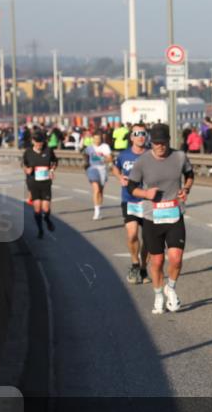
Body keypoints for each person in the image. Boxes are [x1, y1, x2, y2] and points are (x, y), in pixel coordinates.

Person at [127, 123, 195, 314]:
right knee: (156, 262)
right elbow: (131, 187)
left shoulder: (179, 157)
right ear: (151, 142)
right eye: (156, 143)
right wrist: (145, 193)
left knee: (176, 259)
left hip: (174, 214)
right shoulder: (142, 161)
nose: (159, 146)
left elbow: (190, 174)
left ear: (168, 141)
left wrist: (186, 189)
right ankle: (158, 294)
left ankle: (170, 288)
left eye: (163, 142)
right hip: (152, 217)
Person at [113, 124, 149, 285]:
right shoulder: (124, 155)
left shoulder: (151, 154)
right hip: (129, 200)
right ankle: (135, 263)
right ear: (131, 137)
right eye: (137, 133)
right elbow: (115, 167)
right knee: (132, 234)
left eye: (143, 133)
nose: (140, 136)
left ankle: (143, 268)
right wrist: (119, 177)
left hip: (148, 201)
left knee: (148, 239)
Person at [22, 130, 57, 239]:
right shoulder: (28, 152)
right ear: (33, 142)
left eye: (41, 142)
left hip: (46, 183)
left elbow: (54, 162)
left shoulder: (48, 150)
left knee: (46, 209)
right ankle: (40, 230)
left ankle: (47, 220)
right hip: (34, 183)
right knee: (37, 209)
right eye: (37, 142)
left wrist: (52, 170)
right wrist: (27, 170)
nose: (39, 144)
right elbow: (24, 165)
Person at [83, 132, 113, 221]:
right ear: (92, 139)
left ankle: (99, 209)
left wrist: (102, 158)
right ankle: (96, 212)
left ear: (101, 139)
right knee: (96, 189)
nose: (97, 140)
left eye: (99, 139)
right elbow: (85, 156)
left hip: (102, 169)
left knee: (100, 191)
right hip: (92, 169)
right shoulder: (89, 148)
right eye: (95, 138)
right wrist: (86, 164)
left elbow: (110, 158)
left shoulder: (105, 147)